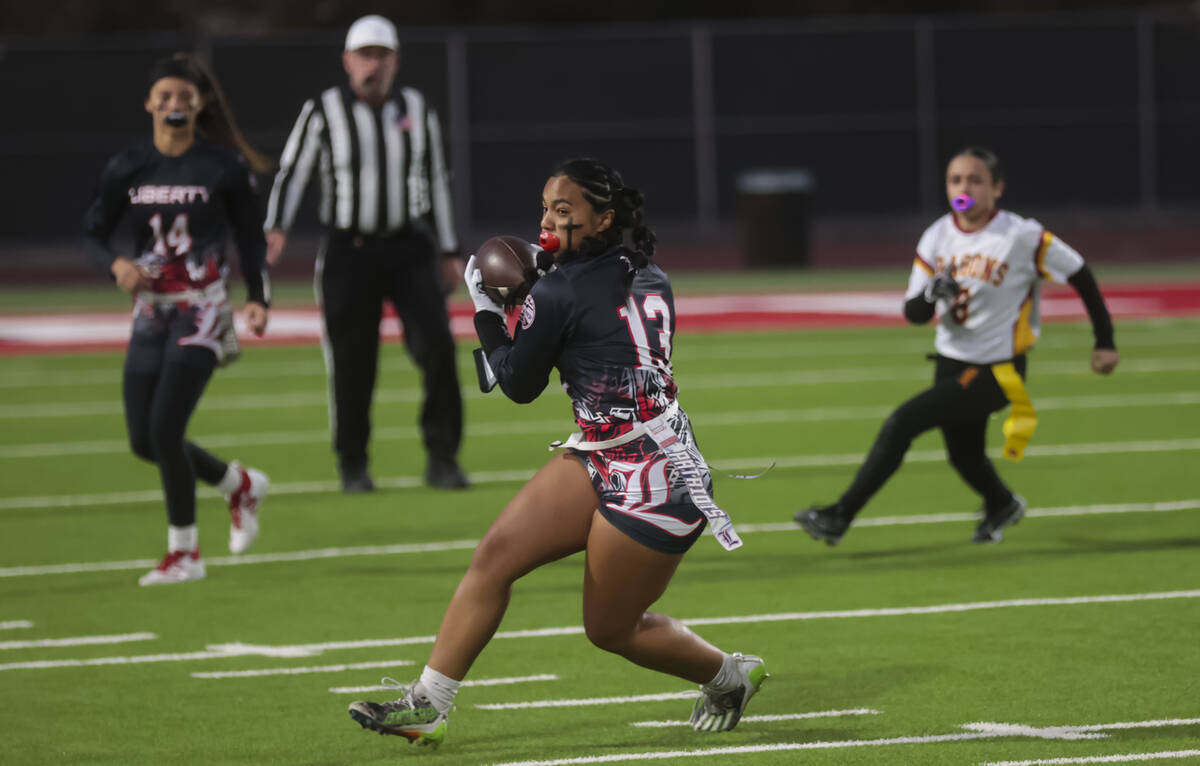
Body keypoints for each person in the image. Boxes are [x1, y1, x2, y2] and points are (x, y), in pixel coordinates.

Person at [345, 158, 768, 748]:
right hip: (619, 447)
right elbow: (595, 313)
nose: (547, 220)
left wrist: (489, 310)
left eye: (563, 211)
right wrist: (540, 283)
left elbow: (517, 384)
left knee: (611, 630)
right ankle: (429, 703)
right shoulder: (647, 270)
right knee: (494, 556)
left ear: (602, 219)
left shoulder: (560, 289)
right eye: (545, 207)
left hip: (650, 477)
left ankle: (729, 675)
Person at [795, 147, 1119, 546]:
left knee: (902, 423)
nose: (964, 187)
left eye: (975, 179)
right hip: (951, 362)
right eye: (955, 180)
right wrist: (932, 294)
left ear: (997, 188)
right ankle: (1002, 504)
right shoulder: (937, 235)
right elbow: (913, 312)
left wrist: (1104, 341)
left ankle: (839, 516)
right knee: (963, 455)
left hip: (997, 369)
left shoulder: (1021, 235)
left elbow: (1081, 274)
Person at [83, 53, 273, 585]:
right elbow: (92, 232)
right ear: (149, 103)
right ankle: (237, 485)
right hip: (150, 312)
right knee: (143, 440)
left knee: (166, 429)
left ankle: (184, 552)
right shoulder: (129, 165)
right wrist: (117, 263)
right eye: (164, 96)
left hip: (203, 311)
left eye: (183, 97)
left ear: (200, 103)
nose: (173, 104)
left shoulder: (222, 166)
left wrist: (258, 296)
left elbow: (250, 239)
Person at [263, 14, 467, 493]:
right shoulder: (324, 109)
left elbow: (436, 179)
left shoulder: (417, 107)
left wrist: (450, 249)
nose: (373, 64)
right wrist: (275, 226)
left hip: (409, 245)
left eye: (382, 55)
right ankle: (353, 464)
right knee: (353, 361)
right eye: (365, 55)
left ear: (395, 61)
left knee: (438, 348)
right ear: (348, 61)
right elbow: (294, 171)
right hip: (348, 250)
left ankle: (443, 458)